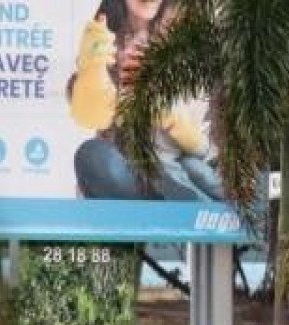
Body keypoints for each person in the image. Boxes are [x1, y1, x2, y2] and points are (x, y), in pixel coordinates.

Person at [68, 0, 224, 201]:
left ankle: (194, 213)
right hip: (134, 178)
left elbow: (217, 153)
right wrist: (94, 68)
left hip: (190, 169)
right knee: (93, 157)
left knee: (194, 169)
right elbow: (91, 117)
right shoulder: (103, 36)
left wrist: (180, 126)